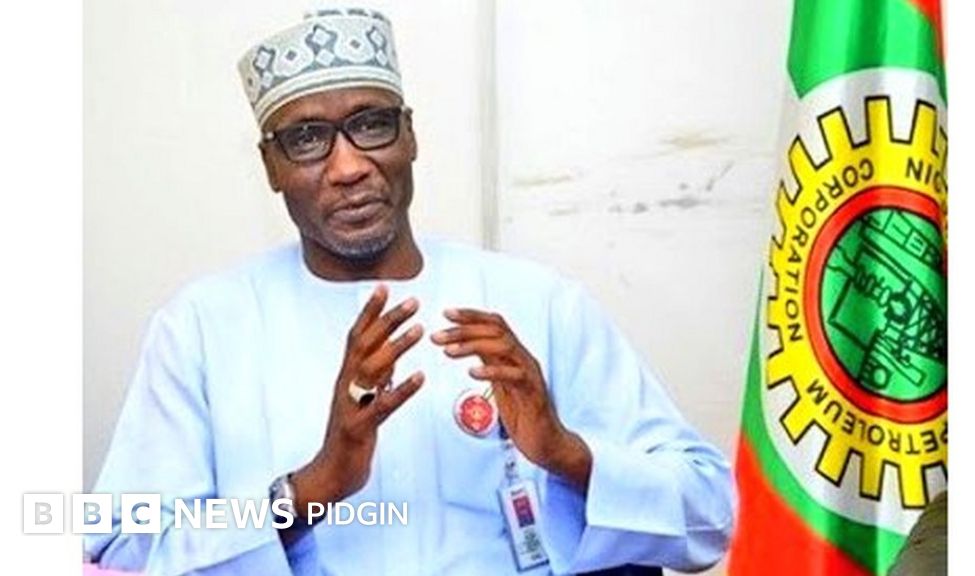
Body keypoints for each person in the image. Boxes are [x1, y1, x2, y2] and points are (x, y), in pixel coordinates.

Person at [86, 7, 735, 575]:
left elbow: (713, 514)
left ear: (411, 135)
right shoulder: (203, 327)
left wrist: (566, 452)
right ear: (271, 166)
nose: (348, 166)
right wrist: (311, 487)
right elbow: (119, 545)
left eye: (371, 124)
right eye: (306, 139)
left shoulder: (537, 303)